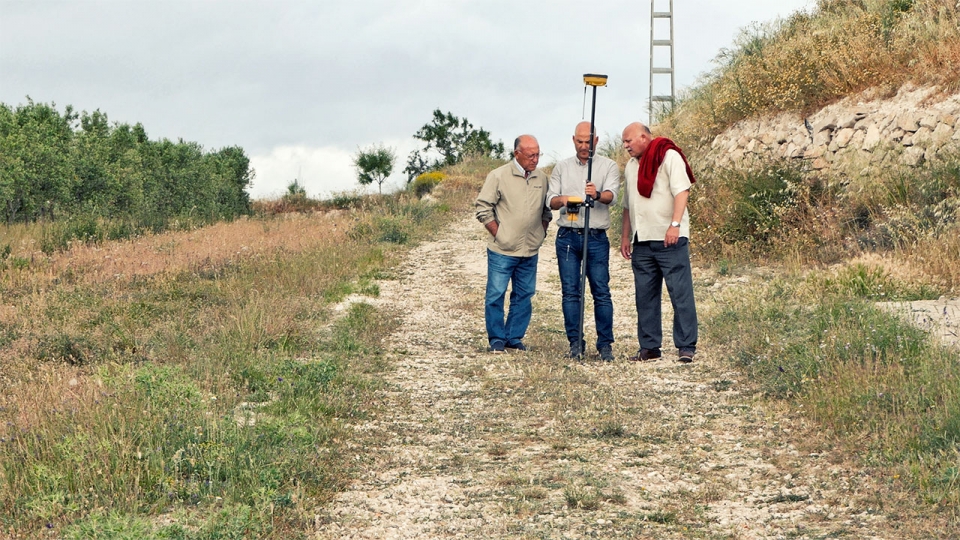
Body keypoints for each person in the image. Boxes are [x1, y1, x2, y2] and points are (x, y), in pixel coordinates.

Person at [619, 122, 698, 363]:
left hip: (668, 237)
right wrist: (625, 236)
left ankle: (686, 346)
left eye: (628, 141)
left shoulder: (668, 155)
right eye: (624, 142)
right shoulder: (631, 166)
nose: (625, 146)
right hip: (642, 239)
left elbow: (682, 191)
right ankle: (649, 347)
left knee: (680, 293)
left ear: (644, 137)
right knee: (645, 296)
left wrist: (674, 225)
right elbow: (627, 204)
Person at [547, 121, 620, 361]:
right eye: (580, 141)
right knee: (570, 292)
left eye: (588, 141)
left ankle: (605, 345)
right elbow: (551, 200)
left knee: (601, 291)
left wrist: (596, 194)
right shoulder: (561, 167)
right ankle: (575, 343)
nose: (584, 146)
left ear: (596, 141)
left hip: (596, 237)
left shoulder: (608, 166)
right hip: (568, 235)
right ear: (573, 140)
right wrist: (565, 199)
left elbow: (612, 196)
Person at [476, 134, 552, 353]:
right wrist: (499, 234)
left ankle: (514, 337)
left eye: (538, 154)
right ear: (517, 154)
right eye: (531, 155)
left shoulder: (542, 178)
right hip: (502, 250)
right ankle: (497, 339)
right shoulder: (498, 175)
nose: (535, 159)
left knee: (524, 295)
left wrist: (541, 233)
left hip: (530, 251)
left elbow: (546, 211)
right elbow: (483, 207)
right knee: (495, 294)